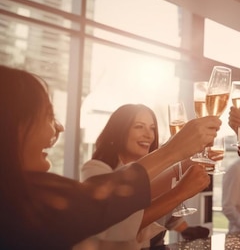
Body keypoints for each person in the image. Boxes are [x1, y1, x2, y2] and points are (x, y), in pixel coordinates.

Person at [0, 66, 219, 249]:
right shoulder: (23, 202)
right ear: (9, 125)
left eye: (151, 128)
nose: (59, 126)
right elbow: (101, 204)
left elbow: (119, 196)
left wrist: (180, 163)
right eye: (48, 116)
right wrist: (174, 155)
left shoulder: (21, 191)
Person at [75, 104, 210, 249]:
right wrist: (180, 192)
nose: (149, 134)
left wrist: (186, 229)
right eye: (139, 126)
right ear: (118, 130)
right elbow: (121, 225)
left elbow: (168, 214)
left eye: (152, 128)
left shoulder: (158, 171)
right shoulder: (95, 168)